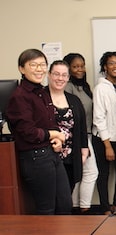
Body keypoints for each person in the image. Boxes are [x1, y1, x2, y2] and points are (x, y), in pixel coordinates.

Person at [6, 49, 71, 214]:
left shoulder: (41, 92)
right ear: (22, 68)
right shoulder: (20, 96)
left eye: (42, 65)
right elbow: (28, 131)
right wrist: (54, 134)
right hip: (36, 158)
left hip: (51, 153)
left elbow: (50, 121)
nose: (39, 69)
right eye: (33, 65)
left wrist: (57, 136)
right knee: (47, 209)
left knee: (64, 205)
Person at [46, 60, 89, 207]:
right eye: (56, 74)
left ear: (68, 77)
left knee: (66, 195)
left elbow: (82, 126)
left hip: (71, 157)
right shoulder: (40, 98)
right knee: (52, 197)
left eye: (64, 75)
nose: (60, 78)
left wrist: (84, 150)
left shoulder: (74, 100)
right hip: (48, 157)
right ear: (49, 75)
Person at [92, 51, 116, 215]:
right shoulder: (100, 88)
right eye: (111, 63)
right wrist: (107, 146)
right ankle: (105, 208)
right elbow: (98, 118)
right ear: (105, 67)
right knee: (104, 174)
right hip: (103, 139)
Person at [63, 53, 99, 214]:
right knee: (90, 172)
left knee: (82, 172)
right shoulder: (67, 87)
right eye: (76, 66)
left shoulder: (84, 87)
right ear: (68, 69)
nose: (80, 69)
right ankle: (83, 207)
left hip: (88, 134)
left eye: (82, 66)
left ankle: (77, 207)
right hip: (77, 136)